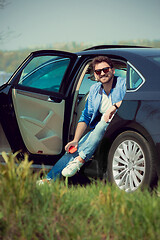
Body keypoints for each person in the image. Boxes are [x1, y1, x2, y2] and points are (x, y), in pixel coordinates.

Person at [38, 56, 126, 184]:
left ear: (112, 70)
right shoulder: (95, 90)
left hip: (119, 126)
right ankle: (50, 179)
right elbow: (86, 116)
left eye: (105, 69)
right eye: (98, 71)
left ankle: (81, 159)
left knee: (102, 123)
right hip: (100, 129)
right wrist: (75, 140)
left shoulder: (123, 84)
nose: (102, 73)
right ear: (95, 75)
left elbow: (136, 97)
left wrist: (115, 106)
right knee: (73, 149)